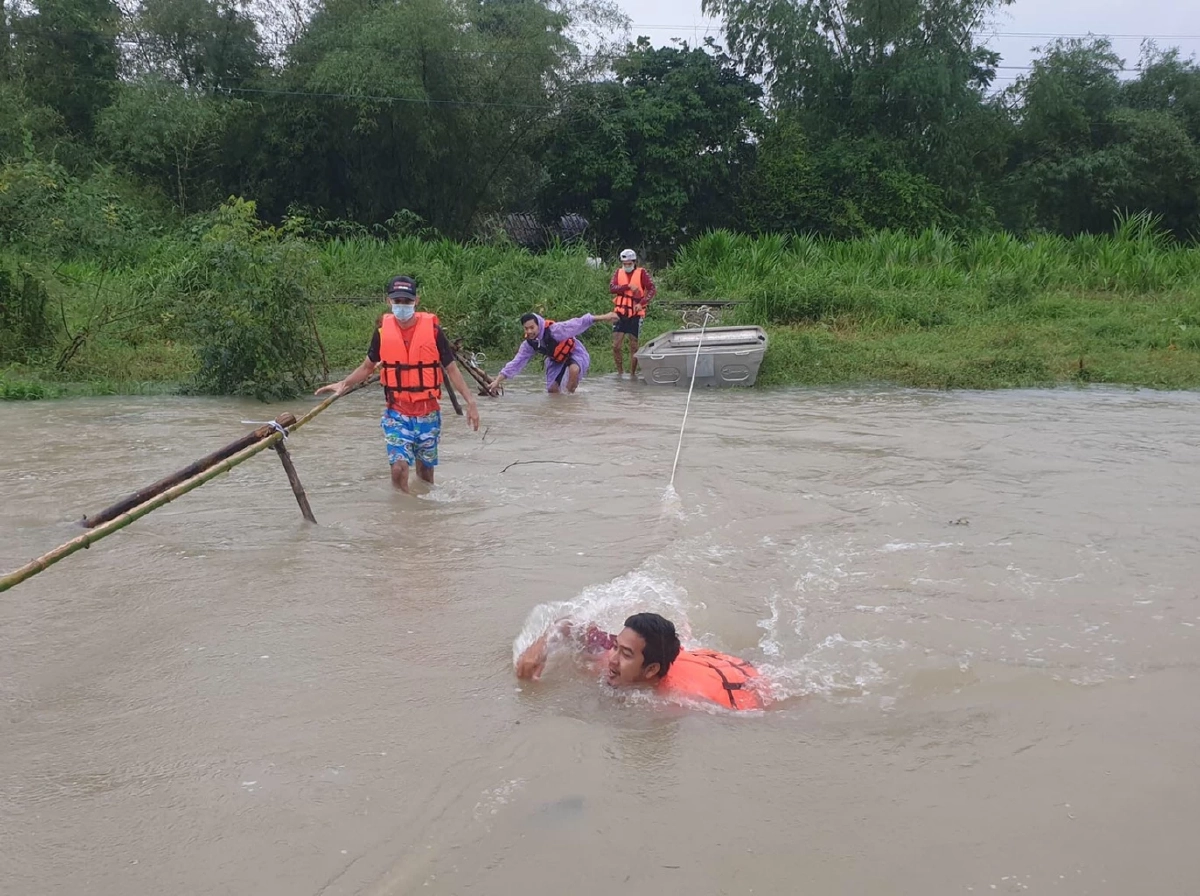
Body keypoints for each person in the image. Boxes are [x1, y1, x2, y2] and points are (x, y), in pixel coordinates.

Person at [315, 275, 480, 493]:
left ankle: (422, 514)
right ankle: (401, 513)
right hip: (397, 413)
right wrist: (343, 384)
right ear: (389, 301)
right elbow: (367, 367)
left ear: (416, 301)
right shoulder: (383, 332)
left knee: (425, 473)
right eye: (397, 301)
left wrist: (470, 402)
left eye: (407, 301)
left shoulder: (433, 331)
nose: (402, 306)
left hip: (428, 412)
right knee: (398, 469)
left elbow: (451, 369)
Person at [514, 611, 765, 711]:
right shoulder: (617, 657)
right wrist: (539, 648)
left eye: (625, 654)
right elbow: (570, 625)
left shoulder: (681, 701)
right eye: (616, 647)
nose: (612, 658)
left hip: (737, 681)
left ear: (651, 670)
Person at [487, 310, 619, 395]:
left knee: (573, 370)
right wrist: (498, 380)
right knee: (553, 391)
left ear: (538, 325)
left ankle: (571, 400)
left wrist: (605, 317)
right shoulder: (529, 344)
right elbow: (516, 363)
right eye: (526, 329)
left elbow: (579, 323)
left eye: (532, 328)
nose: (529, 332)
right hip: (555, 360)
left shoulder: (556, 330)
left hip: (575, 353)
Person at [609, 249, 656, 378]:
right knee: (616, 346)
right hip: (620, 313)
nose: (627, 266)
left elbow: (652, 289)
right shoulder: (618, 273)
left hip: (635, 313)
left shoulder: (642, 273)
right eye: (624, 263)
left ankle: (632, 374)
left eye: (629, 263)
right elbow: (612, 288)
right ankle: (620, 373)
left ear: (634, 262)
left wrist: (642, 302)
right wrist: (627, 286)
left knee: (634, 345)